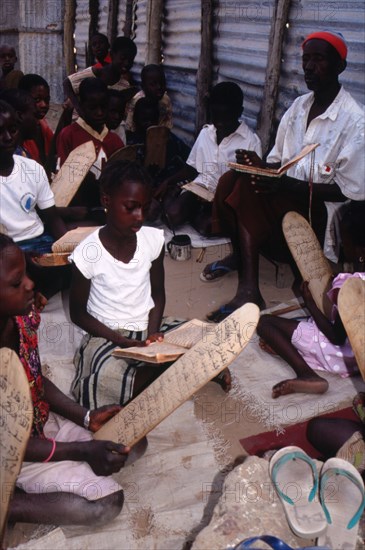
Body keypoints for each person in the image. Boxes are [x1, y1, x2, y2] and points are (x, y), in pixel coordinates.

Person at [203, 31, 365, 320]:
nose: (309, 67)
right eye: (306, 59)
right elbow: (277, 162)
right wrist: (258, 166)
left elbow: (347, 191)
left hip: (320, 213)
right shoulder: (298, 107)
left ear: (340, 66)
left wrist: (281, 182)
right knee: (233, 180)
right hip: (284, 198)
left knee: (249, 190)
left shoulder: (355, 121)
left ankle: (249, 290)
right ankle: (244, 260)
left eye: (319, 59)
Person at [0, 233, 130, 526]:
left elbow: (35, 381)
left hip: (37, 427)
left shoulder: (21, 319)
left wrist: (86, 418)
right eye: (16, 283)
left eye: (26, 275)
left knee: (127, 443)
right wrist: (81, 450)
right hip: (7, 455)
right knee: (105, 504)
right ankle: (11, 505)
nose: (31, 285)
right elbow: (7, 442)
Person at [69, 160, 167, 409]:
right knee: (100, 378)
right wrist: (120, 341)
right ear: (106, 201)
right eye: (131, 208)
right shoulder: (87, 253)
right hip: (106, 333)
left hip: (148, 325)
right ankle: (148, 378)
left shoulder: (153, 240)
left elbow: (158, 294)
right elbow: (78, 314)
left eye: (145, 208)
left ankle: (144, 376)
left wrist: (153, 335)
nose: (140, 217)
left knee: (202, 336)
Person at [156, 82, 262, 236]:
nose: (219, 124)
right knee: (172, 216)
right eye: (215, 117)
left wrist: (218, 200)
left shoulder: (250, 141)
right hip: (200, 188)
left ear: (239, 112)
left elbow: (249, 186)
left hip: (225, 199)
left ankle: (197, 214)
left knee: (208, 228)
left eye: (226, 118)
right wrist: (168, 182)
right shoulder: (206, 133)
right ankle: (182, 201)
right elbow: (191, 168)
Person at [257, 272, 364, 398]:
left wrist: (310, 304)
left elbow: (336, 337)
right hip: (357, 361)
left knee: (265, 323)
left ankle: (306, 373)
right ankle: (286, 348)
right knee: (296, 327)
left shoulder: (352, 288)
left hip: (336, 351)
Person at [56, 77, 124, 206]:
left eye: (103, 107)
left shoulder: (115, 141)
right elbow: (63, 181)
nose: (99, 113)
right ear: (81, 105)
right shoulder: (69, 135)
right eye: (93, 108)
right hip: (77, 203)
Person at [64, 36, 137, 113]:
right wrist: (78, 107)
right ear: (112, 55)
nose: (126, 63)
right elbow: (67, 82)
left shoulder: (125, 85)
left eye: (130, 60)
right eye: (122, 58)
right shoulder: (95, 72)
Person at [18, 73, 54, 170]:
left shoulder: (43, 126)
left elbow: (53, 152)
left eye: (47, 100)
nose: (44, 105)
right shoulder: (18, 133)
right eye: (37, 100)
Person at [125, 64, 173, 132]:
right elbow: (129, 128)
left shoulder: (165, 100)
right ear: (143, 86)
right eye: (153, 84)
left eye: (162, 83)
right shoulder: (136, 102)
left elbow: (167, 126)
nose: (159, 87)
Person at [0, 89, 38, 158]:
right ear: (20, 116)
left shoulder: (22, 151)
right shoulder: (12, 155)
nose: (37, 121)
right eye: (35, 115)